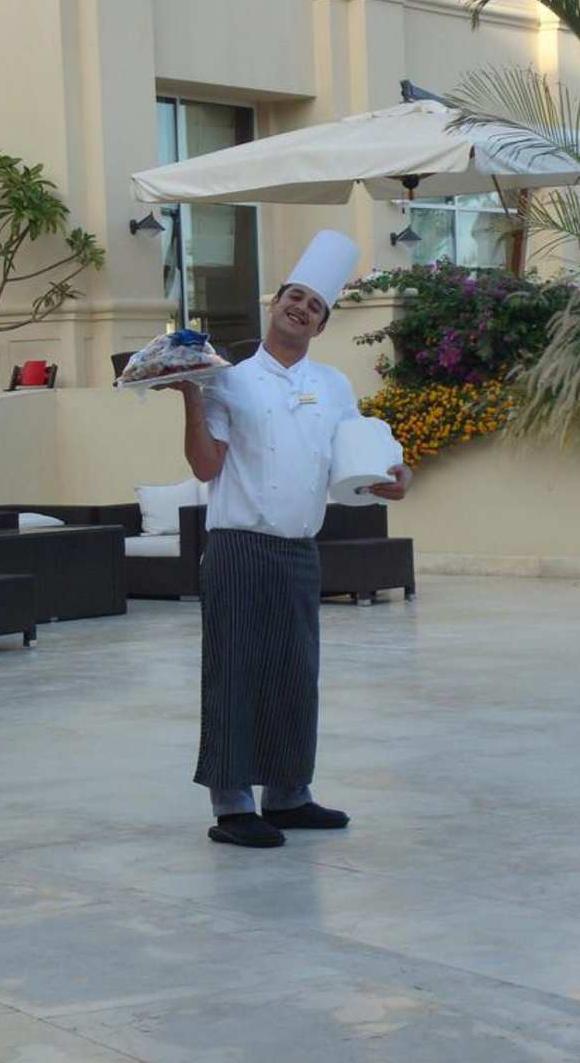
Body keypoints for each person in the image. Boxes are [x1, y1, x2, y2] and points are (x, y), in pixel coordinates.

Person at [167, 230, 412, 849]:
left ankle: (289, 795)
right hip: (238, 545)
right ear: (275, 304)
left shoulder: (333, 386)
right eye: (294, 297)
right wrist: (192, 397)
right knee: (234, 674)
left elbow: (358, 460)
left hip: (301, 549)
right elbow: (205, 466)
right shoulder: (227, 380)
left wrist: (394, 476)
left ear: (321, 325)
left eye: (315, 305)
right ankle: (232, 806)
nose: (301, 308)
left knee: (296, 675)